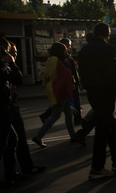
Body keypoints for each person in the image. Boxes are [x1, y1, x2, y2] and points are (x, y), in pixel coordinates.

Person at [78, 23, 116, 181]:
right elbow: (114, 72)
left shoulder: (84, 50)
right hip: (106, 91)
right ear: (107, 34)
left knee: (111, 124)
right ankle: (97, 168)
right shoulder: (108, 49)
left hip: (92, 91)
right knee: (103, 128)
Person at [1, 37, 46, 184]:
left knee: (15, 139)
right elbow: (17, 78)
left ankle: (17, 171)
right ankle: (13, 173)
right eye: (10, 52)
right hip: (7, 108)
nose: (13, 55)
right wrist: (13, 64)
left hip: (10, 106)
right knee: (11, 140)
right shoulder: (4, 67)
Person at [32, 42, 76, 147]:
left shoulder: (51, 60)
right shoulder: (62, 62)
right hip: (60, 91)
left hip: (54, 90)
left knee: (68, 114)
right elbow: (66, 75)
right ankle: (38, 136)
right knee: (55, 115)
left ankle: (73, 136)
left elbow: (48, 76)